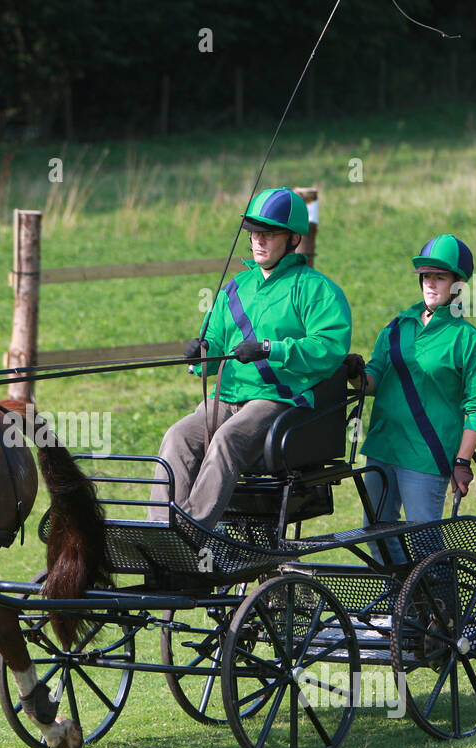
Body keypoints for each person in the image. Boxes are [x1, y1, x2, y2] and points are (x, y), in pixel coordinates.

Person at [150, 187, 352, 529]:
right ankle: (162, 531)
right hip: (224, 398)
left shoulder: (317, 289)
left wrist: (271, 349)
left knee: (228, 440)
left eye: (269, 233)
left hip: (277, 401)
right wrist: (201, 354)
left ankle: (192, 531)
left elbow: (329, 348)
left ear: (293, 239)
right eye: (254, 233)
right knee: (178, 436)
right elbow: (213, 345)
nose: (258, 240)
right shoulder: (235, 287)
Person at [344, 234, 476, 562]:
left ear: (457, 284)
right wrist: (355, 373)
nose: (430, 283)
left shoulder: (467, 339)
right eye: (426, 276)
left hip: (425, 457)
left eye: (439, 277)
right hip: (383, 448)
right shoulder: (397, 328)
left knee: (425, 545)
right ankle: (406, 609)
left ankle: (440, 611)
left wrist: (462, 461)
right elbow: (373, 381)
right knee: (377, 537)